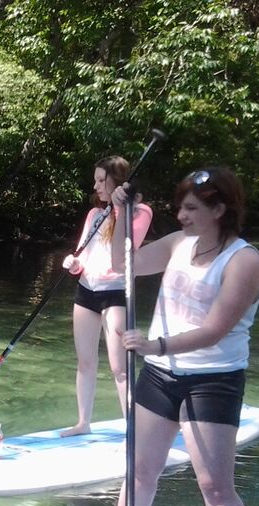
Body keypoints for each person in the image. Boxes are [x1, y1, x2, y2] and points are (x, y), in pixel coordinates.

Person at [84, 166, 259, 506]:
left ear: (219, 209)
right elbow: (123, 263)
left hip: (213, 379)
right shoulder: (178, 245)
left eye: (190, 208)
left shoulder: (244, 260)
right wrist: (121, 212)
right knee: (141, 468)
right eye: (180, 206)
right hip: (161, 374)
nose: (180, 215)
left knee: (215, 486)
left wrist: (153, 344)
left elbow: (215, 330)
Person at [60, 157, 153, 437]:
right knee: (85, 361)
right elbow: (81, 256)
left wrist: (119, 208)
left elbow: (124, 254)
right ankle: (83, 423)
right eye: (96, 179)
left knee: (119, 366)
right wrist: (73, 264)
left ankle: (132, 430)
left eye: (102, 180)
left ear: (117, 182)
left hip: (116, 293)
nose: (96, 185)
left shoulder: (140, 212)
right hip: (87, 291)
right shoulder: (93, 215)